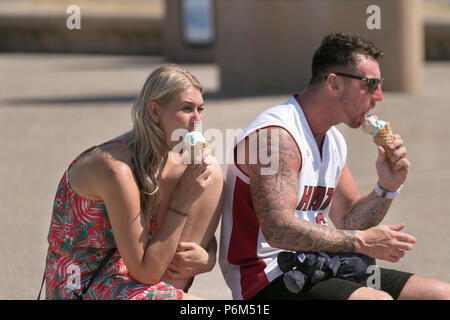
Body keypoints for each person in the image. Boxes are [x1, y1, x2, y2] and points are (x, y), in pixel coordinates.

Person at [219, 32, 450, 300]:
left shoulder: (333, 140)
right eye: (370, 84)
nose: (380, 96)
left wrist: (387, 187)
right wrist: (360, 242)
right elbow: (278, 229)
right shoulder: (276, 137)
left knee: (440, 294)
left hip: (322, 266)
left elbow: (349, 220)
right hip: (267, 280)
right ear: (335, 83)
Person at [44, 64, 224, 300]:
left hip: (133, 278)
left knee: (210, 171)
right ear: (154, 112)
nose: (197, 120)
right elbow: (147, 272)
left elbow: (178, 233)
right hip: (85, 284)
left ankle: (172, 292)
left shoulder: (168, 157)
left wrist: (208, 256)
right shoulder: (115, 170)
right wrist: (184, 198)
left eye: (200, 109)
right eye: (187, 109)